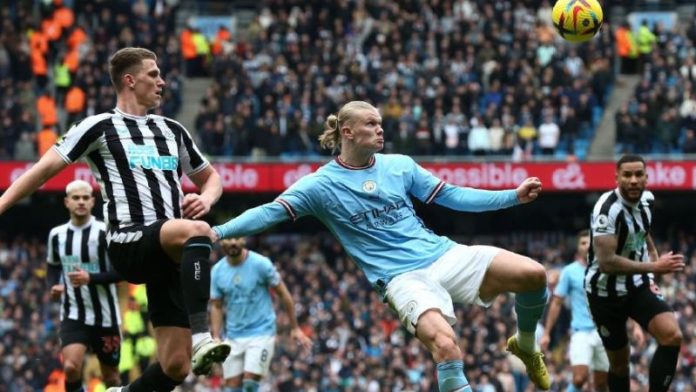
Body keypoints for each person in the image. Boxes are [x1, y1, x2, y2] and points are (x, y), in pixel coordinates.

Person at [213, 101, 552, 391]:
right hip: (400, 279)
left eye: (380, 123)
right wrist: (218, 232)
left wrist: (512, 196)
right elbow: (270, 212)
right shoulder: (319, 186)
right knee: (446, 346)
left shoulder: (399, 165)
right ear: (347, 132)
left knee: (533, 274)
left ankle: (525, 345)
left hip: (442, 254)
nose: (380, 130)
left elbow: (452, 195)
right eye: (371, 123)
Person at [0, 47, 230, 391]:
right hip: (129, 239)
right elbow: (43, 169)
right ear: (129, 80)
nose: (162, 82)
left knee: (176, 367)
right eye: (153, 74)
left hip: (168, 253)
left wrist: (206, 197)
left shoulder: (173, 130)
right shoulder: (98, 127)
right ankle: (202, 336)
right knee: (199, 231)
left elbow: (212, 178)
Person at [586, 154, 684, 392]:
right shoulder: (606, 209)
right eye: (627, 175)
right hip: (604, 293)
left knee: (672, 336)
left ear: (646, 178)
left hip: (637, 284)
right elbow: (607, 262)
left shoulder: (647, 201)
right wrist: (654, 267)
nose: (633, 180)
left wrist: (653, 253)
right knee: (620, 364)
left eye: (638, 175)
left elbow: (642, 230)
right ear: (617, 177)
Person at [47, 180, 124, 390]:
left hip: (106, 316)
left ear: (92, 201)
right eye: (75, 198)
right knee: (71, 367)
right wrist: (54, 285)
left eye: (85, 198)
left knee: (111, 377)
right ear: (66, 202)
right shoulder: (57, 235)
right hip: (73, 314)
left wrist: (91, 278)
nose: (80, 202)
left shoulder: (104, 232)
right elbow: (53, 266)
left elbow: (121, 273)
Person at [210, 237, 312, 391]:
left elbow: (284, 294)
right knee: (231, 386)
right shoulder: (217, 271)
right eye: (228, 238)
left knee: (250, 382)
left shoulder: (261, 264)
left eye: (237, 238)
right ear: (221, 242)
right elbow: (216, 306)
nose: (233, 242)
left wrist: (295, 327)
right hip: (233, 335)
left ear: (244, 240)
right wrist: (216, 336)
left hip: (261, 332)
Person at [540, 230, 609, 392]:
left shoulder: (606, 268)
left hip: (605, 332)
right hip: (580, 332)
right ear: (578, 247)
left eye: (589, 242)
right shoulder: (569, 272)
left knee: (601, 384)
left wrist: (634, 326)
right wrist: (547, 333)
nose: (587, 246)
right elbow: (556, 303)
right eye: (583, 243)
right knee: (579, 378)